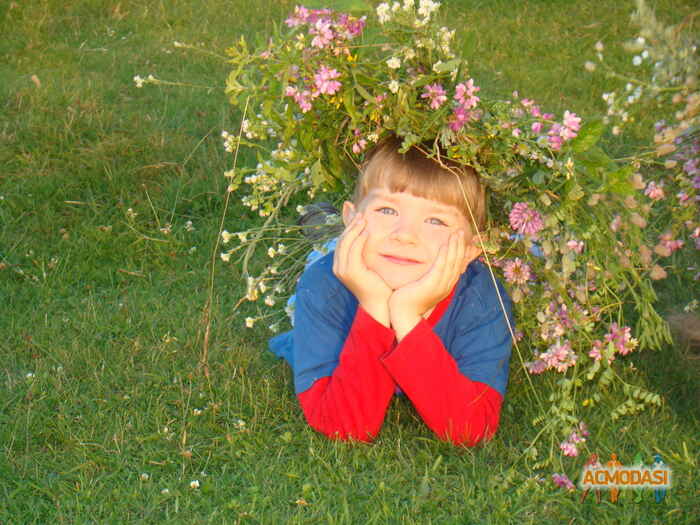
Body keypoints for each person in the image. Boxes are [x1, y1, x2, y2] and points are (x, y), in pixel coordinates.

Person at [269, 135, 514, 445]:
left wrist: (406, 315)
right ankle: (321, 223)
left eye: (436, 220)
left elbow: (472, 429)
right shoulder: (323, 287)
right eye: (387, 211)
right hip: (349, 282)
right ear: (352, 218)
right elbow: (345, 426)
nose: (405, 235)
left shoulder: (483, 299)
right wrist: (374, 305)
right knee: (323, 253)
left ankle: (324, 220)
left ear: (470, 250)